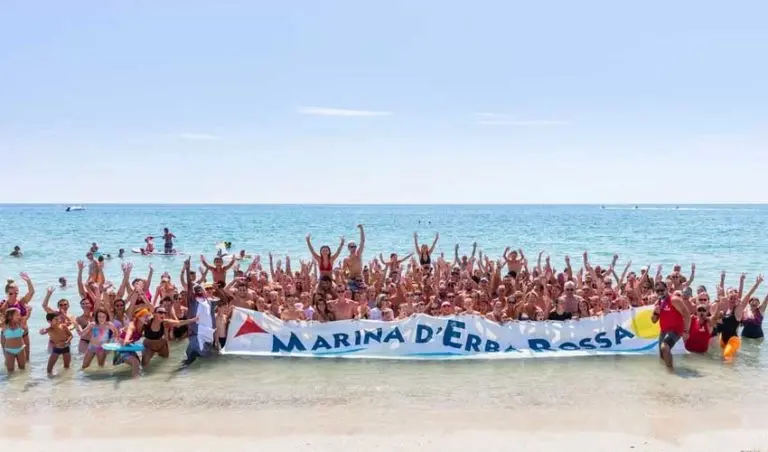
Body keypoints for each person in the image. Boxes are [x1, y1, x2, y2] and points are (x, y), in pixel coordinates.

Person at [714, 274, 763, 360]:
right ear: (727, 298)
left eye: (735, 298)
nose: (733, 300)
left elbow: (748, 295)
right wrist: (721, 282)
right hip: (722, 339)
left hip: (734, 339)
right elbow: (721, 296)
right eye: (731, 298)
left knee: (727, 355)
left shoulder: (738, 309)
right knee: (723, 358)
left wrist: (757, 284)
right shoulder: (724, 309)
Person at [650, 281, 690, 371]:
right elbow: (654, 321)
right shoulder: (658, 303)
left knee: (664, 347)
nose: (660, 292)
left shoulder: (674, 300)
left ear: (667, 289)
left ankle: (671, 372)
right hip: (664, 331)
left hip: (676, 330)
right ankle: (666, 373)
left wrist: (686, 331)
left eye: (662, 290)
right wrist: (655, 313)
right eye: (657, 291)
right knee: (662, 355)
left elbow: (687, 315)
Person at [2, 307, 27, 373]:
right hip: (9, 350)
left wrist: (28, 311)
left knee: (22, 368)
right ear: (10, 317)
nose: (19, 316)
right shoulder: (4, 325)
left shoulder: (20, 323)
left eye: (19, 314)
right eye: (17, 315)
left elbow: (26, 316)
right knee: (10, 370)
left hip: (21, 349)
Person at [342, 225, 366, 294]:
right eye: (352, 246)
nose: (354, 248)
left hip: (360, 278)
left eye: (355, 246)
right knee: (351, 293)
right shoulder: (346, 259)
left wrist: (361, 228)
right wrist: (346, 279)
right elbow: (344, 271)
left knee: (362, 294)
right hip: (351, 279)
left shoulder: (358, 254)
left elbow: (362, 241)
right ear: (349, 248)